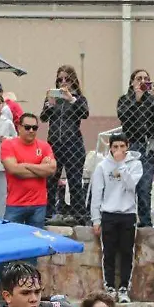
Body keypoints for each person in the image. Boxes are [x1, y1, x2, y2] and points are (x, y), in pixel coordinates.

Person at [0, 113, 56, 292]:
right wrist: (39, 168)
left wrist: (25, 165)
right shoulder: (9, 144)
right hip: (15, 204)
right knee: (6, 247)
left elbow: (51, 169)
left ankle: (29, 287)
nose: (31, 131)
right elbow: (13, 169)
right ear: (19, 127)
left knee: (33, 249)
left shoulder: (44, 146)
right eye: (27, 127)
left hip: (38, 205)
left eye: (34, 128)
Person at [90, 134, 142, 302]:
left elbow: (131, 186)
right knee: (109, 252)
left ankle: (124, 288)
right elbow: (97, 193)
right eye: (115, 147)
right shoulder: (102, 166)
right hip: (109, 214)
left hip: (128, 214)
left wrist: (121, 165)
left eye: (122, 146)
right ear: (110, 148)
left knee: (127, 252)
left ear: (127, 146)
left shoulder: (135, 164)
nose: (118, 150)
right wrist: (96, 219)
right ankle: (110, 287)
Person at [117, 69, 154, 228]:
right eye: (139, 78)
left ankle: (145, 222)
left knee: (145, 187)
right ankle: (128, 220)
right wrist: (136, 100)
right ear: (132, 82)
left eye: (146, 79)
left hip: (148, 146)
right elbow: (123, 116)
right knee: (128, 185)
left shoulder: (152, 100)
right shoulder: (124, 100)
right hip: (130, 146)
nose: (142, 81)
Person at [40, 65, 90, 222]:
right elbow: (43, 118)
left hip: (73, 143)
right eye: (60, 79)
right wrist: (50, 105)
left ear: (73, 80)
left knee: (74, 181)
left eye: (67, 79)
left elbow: (85, 113)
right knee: (50, 180)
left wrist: (71, 99)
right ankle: (48, 213)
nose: (63, 82)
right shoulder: (53, 97)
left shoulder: (78, 98)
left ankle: (78, 216)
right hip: (54, 144)